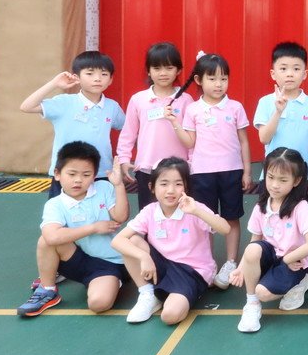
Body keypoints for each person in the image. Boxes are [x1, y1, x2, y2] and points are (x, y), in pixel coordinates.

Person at [112, 157, 232, 325]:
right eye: (164, 184)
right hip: (161, 265)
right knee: (132, 241)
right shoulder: (150, 211)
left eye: (178, 184)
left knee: (169, 316)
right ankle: (147, 293)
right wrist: (143, 257)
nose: (171, 190)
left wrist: (197, 211)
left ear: (186, 187)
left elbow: (225, 229)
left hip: (192, 272)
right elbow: (117, 241)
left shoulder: (194, 208)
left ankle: (168, 295)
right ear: (152, 187)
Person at [168, 52, 252, 289]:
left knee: (231, 217)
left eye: (223, 79)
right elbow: (190, 142)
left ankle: (231, 262)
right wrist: (174, 123)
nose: (219, 84)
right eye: (212, 79)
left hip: (231, 170)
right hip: (202, 173)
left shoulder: (235, 107)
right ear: (198, 80)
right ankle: (206, 262)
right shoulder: (193, 110)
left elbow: (244, 141)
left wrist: (246, 171)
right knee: (205, 219)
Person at [16, 142, 128, 317]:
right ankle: (47, 290)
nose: (78, 180)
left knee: (99, 303)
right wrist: (93, 228)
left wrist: (119, 185)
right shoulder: (55, 204)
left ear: (94, 176)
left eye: (86, 174)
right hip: (80, 259)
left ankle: (110, 282)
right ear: (57, 174)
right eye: (72, 174)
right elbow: (51, 236)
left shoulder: (104, 188)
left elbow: (121, 216)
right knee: (46, 240)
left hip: (111, 263)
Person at [231, 147, 308, 333]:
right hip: (272, 257)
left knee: (263, 292)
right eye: (270, 177)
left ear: (296, 181)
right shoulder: (261, 207)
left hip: (293, 262)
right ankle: (251, 304)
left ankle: (302, 280)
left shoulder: (301, 207)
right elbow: (254, 242)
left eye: (283, 180)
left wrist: (287, 259)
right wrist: (240, 268)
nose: (274, 185)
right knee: (252, 250)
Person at [20, 50, 126, 198]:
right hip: (67, 173)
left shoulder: (112, 106)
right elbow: (26, 106)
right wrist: (54, 83)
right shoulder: (64, 102)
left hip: (101, 172)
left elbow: (128, 130)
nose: (97, 79)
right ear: (77, 77)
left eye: (104, 74)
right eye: (90, 73)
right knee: (62, 211)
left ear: (110, 79)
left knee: (100, 211)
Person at [116, 42, 191, 209]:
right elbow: (128, 134)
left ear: (178, 70)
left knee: (180, 214)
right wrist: (124, 159)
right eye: (157, 68)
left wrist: (192, 163)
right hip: (147, 168)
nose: (163, 73)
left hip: (179, 169)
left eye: (169, 68)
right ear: (148, 71)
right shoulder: (138, 99)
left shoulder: (186, 100)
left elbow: (193, 136)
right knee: (148, 214)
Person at [253, 42, 308, 209]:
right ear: (273, 73)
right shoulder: (266, 102)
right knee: (270, 218)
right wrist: (278, 111)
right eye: (283, 68)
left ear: (305, 74)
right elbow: (264, 138)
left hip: (303, 178)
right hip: (273, 177)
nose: (290, 74)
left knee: (303, 220)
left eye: (296, 68)